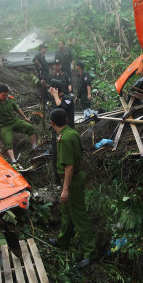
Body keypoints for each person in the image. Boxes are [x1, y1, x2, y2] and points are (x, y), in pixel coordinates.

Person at [48, 108, 96, 269]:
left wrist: (65, 189)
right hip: (72, 179)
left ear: (52, 123)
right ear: (67, 120)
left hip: (72, 180)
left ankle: (91, 252)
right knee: (66, 212)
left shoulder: (65, 138)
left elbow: (69, 166)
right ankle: (63, 240)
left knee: (79, 216)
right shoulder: (71, 133)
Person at [49, 80, 75, 184]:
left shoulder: (67, 99)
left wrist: (55, 95)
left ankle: (67, 182)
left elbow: (62, 109)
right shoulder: (55, 99)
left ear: (56, 89)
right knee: (56, 158)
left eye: (52, 89)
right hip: (56, 132)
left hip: (66, 133)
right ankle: (58, 182)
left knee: (66, 158)